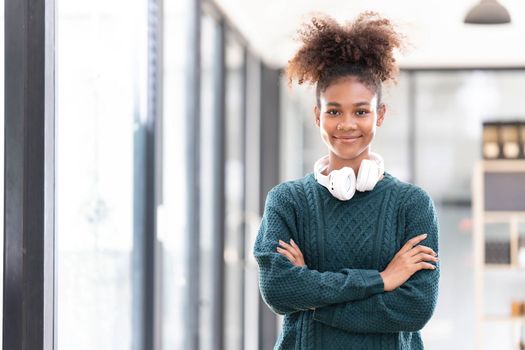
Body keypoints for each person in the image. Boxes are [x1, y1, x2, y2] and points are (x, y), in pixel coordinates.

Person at [252, 11, 440, 350]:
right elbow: (279, 289)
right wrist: (382, 280)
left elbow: (416, 308)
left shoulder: (412, 204)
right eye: (334, 111)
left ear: (379, 115)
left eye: (361, 111)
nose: (347, 124)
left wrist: (314, 302)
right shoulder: (287, 201)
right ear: (317, 115)